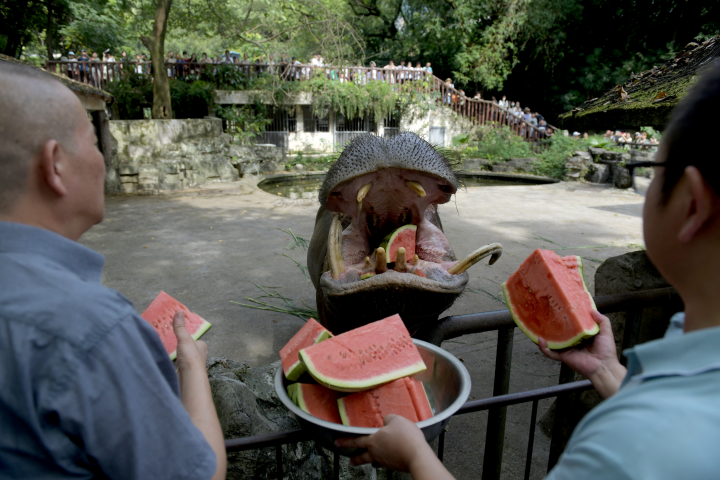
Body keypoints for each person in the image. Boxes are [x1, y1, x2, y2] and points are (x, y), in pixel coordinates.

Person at [338, 62, 720, 480]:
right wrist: (609, 372)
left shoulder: (619, 448)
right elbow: (668, 420)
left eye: (649, 170)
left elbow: (652, 441)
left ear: (692, 204)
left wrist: (415, 456)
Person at [0, 61, 226, 479]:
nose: (103, 162)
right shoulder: (93, 327)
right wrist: (191, 366)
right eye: (93, 143)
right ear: (55, 165)